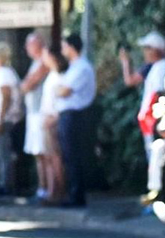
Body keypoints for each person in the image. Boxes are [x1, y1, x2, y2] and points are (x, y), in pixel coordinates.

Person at [120, 31, 165, 202]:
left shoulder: (163, 67)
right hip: (149, 121)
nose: (144, 52)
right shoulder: (151, 67)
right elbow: (130, 80)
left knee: (157, 158)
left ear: (156, 50)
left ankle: (159, 196)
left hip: (156, 121)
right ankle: (156, 195)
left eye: (147, 48)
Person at [56, 33, 96, 208]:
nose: (62, 50)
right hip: (68, 114)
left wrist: (58, 90)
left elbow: (64, 91)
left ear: (72, 47)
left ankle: (77, 194)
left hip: (75, 115)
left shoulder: (81, 68)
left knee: (74, 155)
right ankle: (73, 192)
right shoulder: (73, 67)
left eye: (64, 46)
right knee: (69, 155)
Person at [0, 42, 23, 198]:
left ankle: (5, 186)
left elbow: (5, 98)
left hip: (4, 120)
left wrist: (0, 121)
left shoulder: (4, 73)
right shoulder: (4, 72)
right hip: (0, 120)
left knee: (4, 155)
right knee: (3, 155)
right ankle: (4, 184)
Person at [20, 32, 48, 201]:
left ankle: (47, 189)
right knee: (38, 154)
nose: (26, 48)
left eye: (29, 44)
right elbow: (24, 85)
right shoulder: (34, 63)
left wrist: (26, 84)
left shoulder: (43, 62)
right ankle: (41, 188)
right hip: (33, 113)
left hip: (40, 113)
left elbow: (28, 84)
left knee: (44, 153)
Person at [40, 44, 68, 205]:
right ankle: (51, 191)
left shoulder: (60, 77)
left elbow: (61, 101)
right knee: (49, 157)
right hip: (46, 118)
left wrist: (54, 117)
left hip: (53, 120)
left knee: (56, 157)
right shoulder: (52, 75)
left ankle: (59, 190)